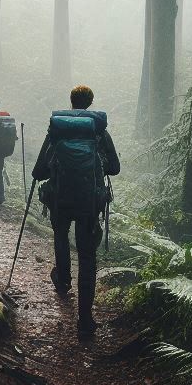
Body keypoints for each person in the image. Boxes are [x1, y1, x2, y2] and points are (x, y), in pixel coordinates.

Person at [32, 84, 120, 340]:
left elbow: (39, 171)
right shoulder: (99, 132)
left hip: (60, 198)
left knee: (60, 235)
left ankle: (62, 280)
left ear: (71, 102)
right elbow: (114, 168)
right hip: (89, 202)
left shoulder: (57, 130)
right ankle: (85, 318)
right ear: (90, 103)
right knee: (87, 256)